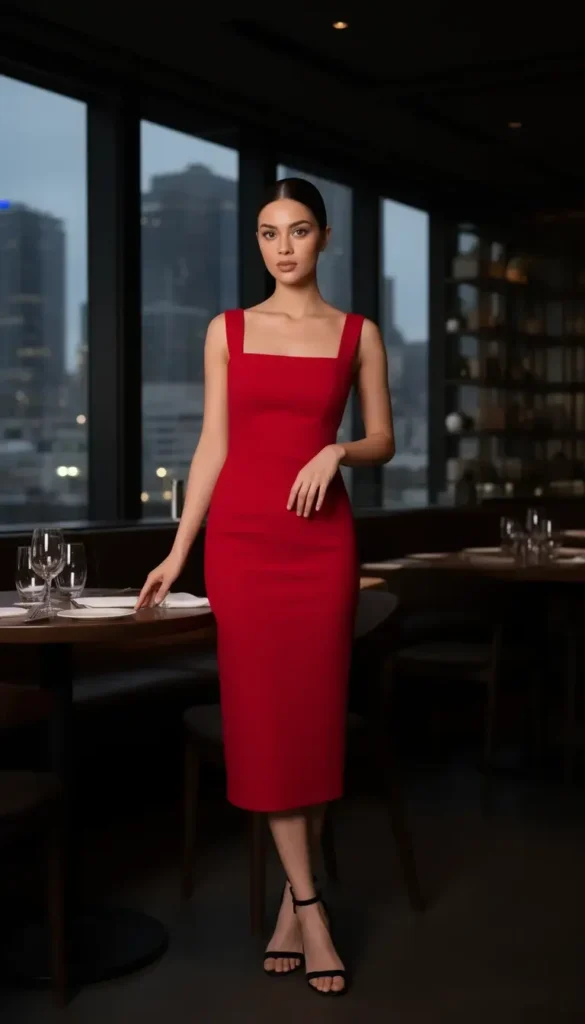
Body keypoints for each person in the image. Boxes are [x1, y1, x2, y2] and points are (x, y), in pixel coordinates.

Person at [137, 177, 395, 996]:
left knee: (311, 723)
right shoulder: (226, 331)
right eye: (267, 233)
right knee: (267, 722)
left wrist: (338, 452)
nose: (282, 247)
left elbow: (384, 438)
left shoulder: (358, 334)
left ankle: (293, 899)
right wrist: (180, 552)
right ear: (258, 242)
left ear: (324, 239)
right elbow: (212, 445)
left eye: (298, 232)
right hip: (243, 548)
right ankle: (313, 905)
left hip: (321, 548)